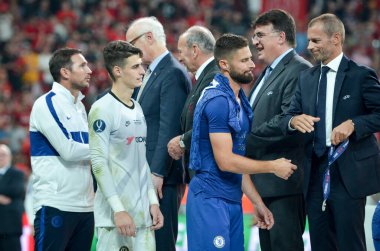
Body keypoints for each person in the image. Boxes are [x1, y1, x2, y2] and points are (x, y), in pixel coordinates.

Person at [187, 33, 297, 251]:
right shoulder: (217, 100)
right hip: (209, 201)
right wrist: (272, 167)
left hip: (232, 200)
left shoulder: (239, 100)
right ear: (225, 64)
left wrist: (257, 202)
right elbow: (226, 162)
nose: (252, 64)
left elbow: (238, 160)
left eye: (250, 58)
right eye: (244, 60)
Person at [282, 13, 380, 251]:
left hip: (348, 175)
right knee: (320, 244)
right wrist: (295, 120)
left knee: (350, 244)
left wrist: (354, 124)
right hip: (315, 174)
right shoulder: (306, 77)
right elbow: (289, 114)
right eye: (310, 41)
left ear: (336, 38)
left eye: (316, 41)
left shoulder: (360, 76)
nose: (310, 46)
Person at [246, 9, 312, 251]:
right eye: (254, 36)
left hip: (285, 184)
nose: (255, 42)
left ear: (281, 37)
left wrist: (245, 140)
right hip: (266, 185)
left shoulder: (299, 70)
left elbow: (289, 120)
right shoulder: (266, 73)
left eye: (261, 35)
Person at [88, 40, 164, 251]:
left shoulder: (137, 108)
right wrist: (118, 210)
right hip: (116, 221)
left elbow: (142, 163)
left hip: (143, 218)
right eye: (135, 66)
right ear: (118, 71)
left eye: (142, 65)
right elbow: (98, 163)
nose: (142, 71)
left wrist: (153, 203)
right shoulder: (102, 109)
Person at [126, 17, 191, 251]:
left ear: (149, 38)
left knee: (161, 242)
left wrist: (157, 171)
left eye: (133, 44)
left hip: (162, 178)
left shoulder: (172, 72)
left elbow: (170, 127)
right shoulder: (153, 73)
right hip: (148, 175)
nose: (131, 51)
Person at [29, 48, 94, 251]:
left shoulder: (80, 107)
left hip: (85, 206)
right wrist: (107, 147)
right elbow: (69, 151)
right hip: (56, 203)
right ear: (65, 72)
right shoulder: (45, 104)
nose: (89, 70)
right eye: (82, 65)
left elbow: (87, 152)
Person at [167, 25, 219, 178]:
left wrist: (183, 141)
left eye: (181, 51)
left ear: (195, 50)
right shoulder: (206, 76)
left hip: (208, 172)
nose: (179, 57)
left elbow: (212, 122)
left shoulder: (214, 76)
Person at [0, 144, 25, 251]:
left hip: (10, 226)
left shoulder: (17, 174)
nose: (0, 157)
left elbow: (15, 190)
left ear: (10, 157)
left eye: (3, 155)